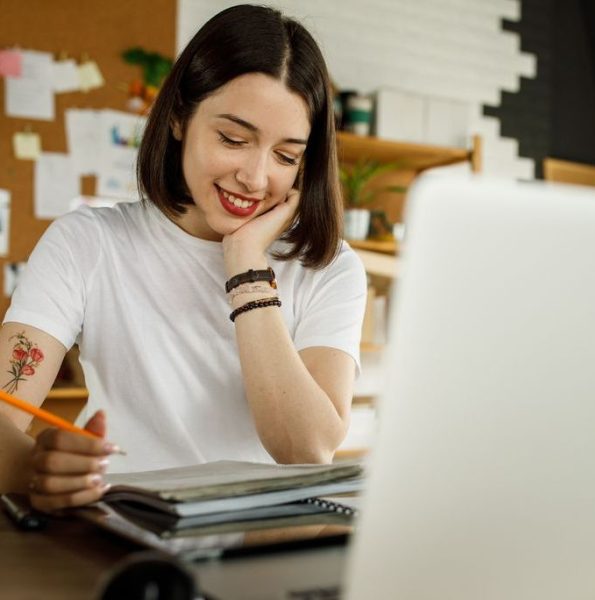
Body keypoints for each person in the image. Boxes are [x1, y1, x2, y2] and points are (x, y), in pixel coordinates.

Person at [0, 4, 366, 512]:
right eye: (233, 139)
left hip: (258, 545)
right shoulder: (88, 241)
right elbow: (4, 407)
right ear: (178, 118)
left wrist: (246, 268)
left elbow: (306, 450)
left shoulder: (329, 267)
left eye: (286, 156)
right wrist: (35, 472)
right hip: (118, 527)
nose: (256, 178)